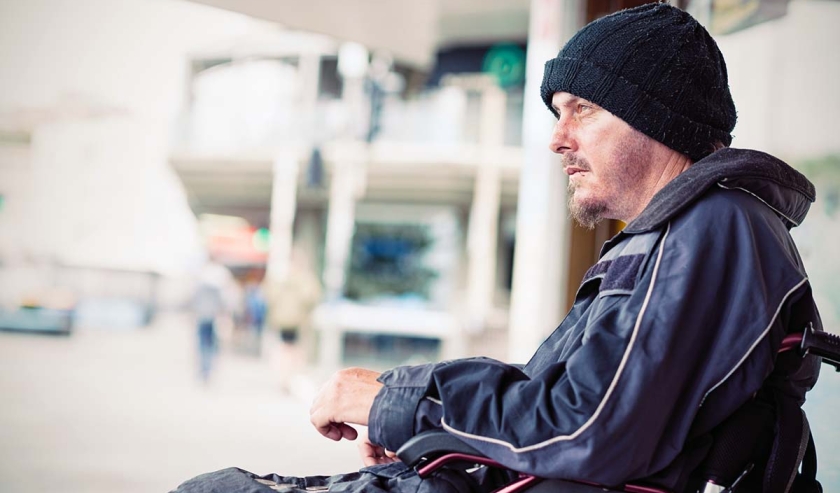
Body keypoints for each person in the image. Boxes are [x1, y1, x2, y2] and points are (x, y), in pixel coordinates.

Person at [172, 3, 822, 492]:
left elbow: (586, 429)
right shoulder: (684, 232)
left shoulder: (712, 228)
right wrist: (425, 424)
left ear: (653, 116)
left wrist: (394, 401)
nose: (557, 138)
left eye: (582, 109)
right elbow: (566, 415)